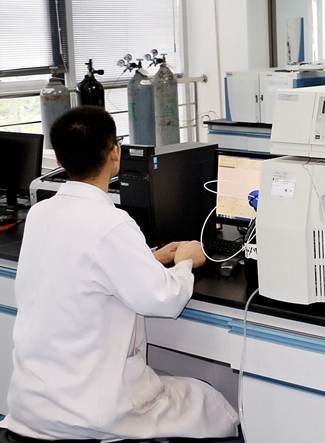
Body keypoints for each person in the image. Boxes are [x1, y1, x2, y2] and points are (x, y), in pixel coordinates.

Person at [2, 107, 239, 441]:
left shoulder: (41, 212)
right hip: (92, 413)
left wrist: (150, 257)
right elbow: (164, 299)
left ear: (58, 159)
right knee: (214, 406)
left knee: (171, 382)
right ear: (115, 152)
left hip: (31, 405)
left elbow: (81, 267)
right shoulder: (111, 223)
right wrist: (185, 262)